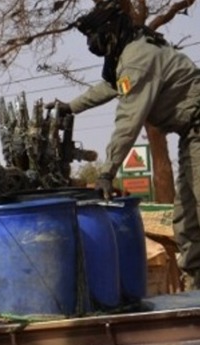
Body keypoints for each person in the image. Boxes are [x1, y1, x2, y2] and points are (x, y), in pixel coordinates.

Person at [52, 0, 200, 285]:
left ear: (109, 33)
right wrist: (70, 107)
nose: (91, 45)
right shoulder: (132, 48)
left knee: (196, 215)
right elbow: (110, 86)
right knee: (188, 220)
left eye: (93, 38)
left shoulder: (137, 58)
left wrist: (107, 172)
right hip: (190, 134)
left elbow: (127, 122)